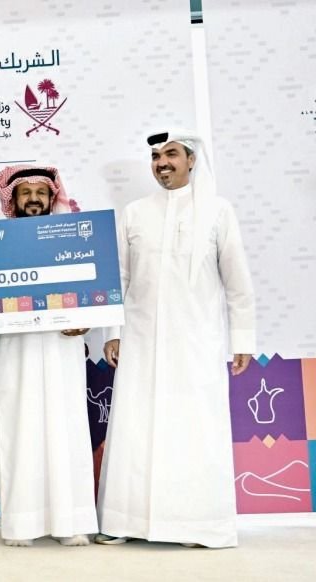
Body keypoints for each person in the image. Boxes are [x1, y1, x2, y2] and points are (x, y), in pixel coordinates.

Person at [98, 129, 255, 548]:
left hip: (196, 342)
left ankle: (196, 525)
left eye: (170, 154)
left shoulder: (218, 211)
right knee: (136, 426)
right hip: (141, 339)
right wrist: (113, 332)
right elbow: (119, 277)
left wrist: (242, 339)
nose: (162, 163)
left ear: (191, 160)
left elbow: (237, 281)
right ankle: (124, 522)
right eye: (155, 156)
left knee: (193, 428)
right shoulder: (134, 213)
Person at [0, 164, 96, 547]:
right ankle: (22, 523)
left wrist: (86, 319)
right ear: (12, 199)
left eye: (41, 192)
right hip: (15, 349)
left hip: (61, 345)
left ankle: (71, 522)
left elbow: (93, 284)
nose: (33, 199)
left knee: (66, 428)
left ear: (52, 197)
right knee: (20, 429)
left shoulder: (74, 238)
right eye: (25, 192)